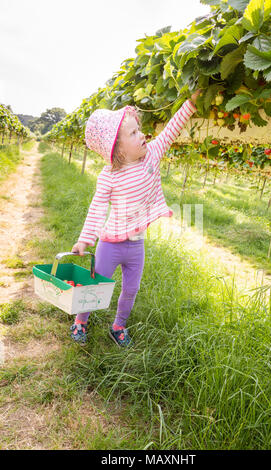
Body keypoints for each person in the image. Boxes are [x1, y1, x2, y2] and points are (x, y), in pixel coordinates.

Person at [70, 89, 201, 346]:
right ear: (117, 149)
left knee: (131, 289)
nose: (142, 134)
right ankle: (80, 321)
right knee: (94, 285)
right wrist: (85, 240)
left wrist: (191, 104)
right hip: (110, 244)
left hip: (136, 244)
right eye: (133, 133)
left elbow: (171, 129)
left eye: (139, 129)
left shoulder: (152, 153)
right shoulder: (109, 175)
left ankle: (119, 326)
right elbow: (97, 208)